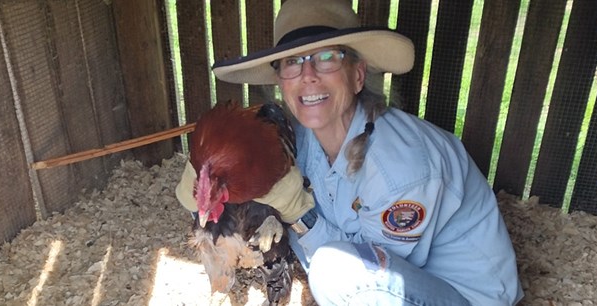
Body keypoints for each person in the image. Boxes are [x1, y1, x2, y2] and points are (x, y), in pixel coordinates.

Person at [179, 0, 524, 304]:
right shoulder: (304, 135)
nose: (308, 76)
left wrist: (300, 215)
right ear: (281, 83)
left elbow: (372, 272)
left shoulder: (400, 167)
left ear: (358, 75)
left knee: (333, 273)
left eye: (327, 58)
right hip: (391, 282)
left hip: (459, 295)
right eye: (292, 62)